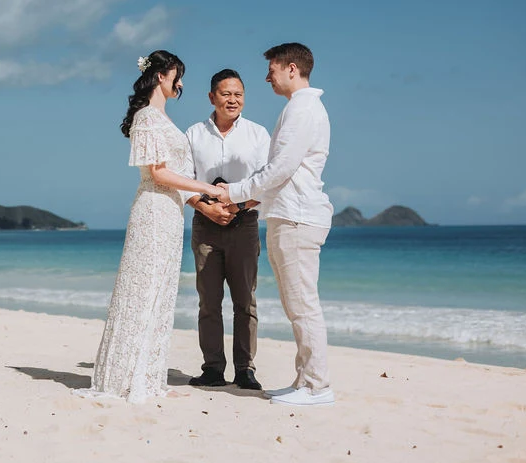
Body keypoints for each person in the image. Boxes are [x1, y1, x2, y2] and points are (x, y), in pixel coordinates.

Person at [76, 50, 230, 404]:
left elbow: (172, 177)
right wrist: (207, 188)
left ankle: (147, 374)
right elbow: (158, 172)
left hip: (170, 213)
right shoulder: (147, 117)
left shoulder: (162, 117)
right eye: (178, 75)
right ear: (161, 76)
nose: (182, 82)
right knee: (142, 290)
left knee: (160, 292)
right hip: (153, 211)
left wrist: (202, 203)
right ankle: (126, 378)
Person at [218, 43, 335, 407]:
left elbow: (282, 168)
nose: (267, 76)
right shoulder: (298, 108)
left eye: (272, 68)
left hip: (299, 216)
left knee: (303, 305)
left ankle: (317, 386)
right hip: (289, 213)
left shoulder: (302, 109)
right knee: (295, 303)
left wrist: (234, 193)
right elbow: (285, 173)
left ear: (292, 69)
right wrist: (250, 199)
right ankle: (304, 379)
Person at [183, 69, 270, 391]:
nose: (232, 100)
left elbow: (268, 180)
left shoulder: (258, 134)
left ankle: (245, 369)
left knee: (245, 301)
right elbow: (182, 178)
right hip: (204, 223)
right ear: (211, 97)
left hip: (244, 224)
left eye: (238, 94)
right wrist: (204, 206)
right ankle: (213, 369)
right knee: (209, 301)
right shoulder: (193, 133)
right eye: (225, 94)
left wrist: (237, 206)